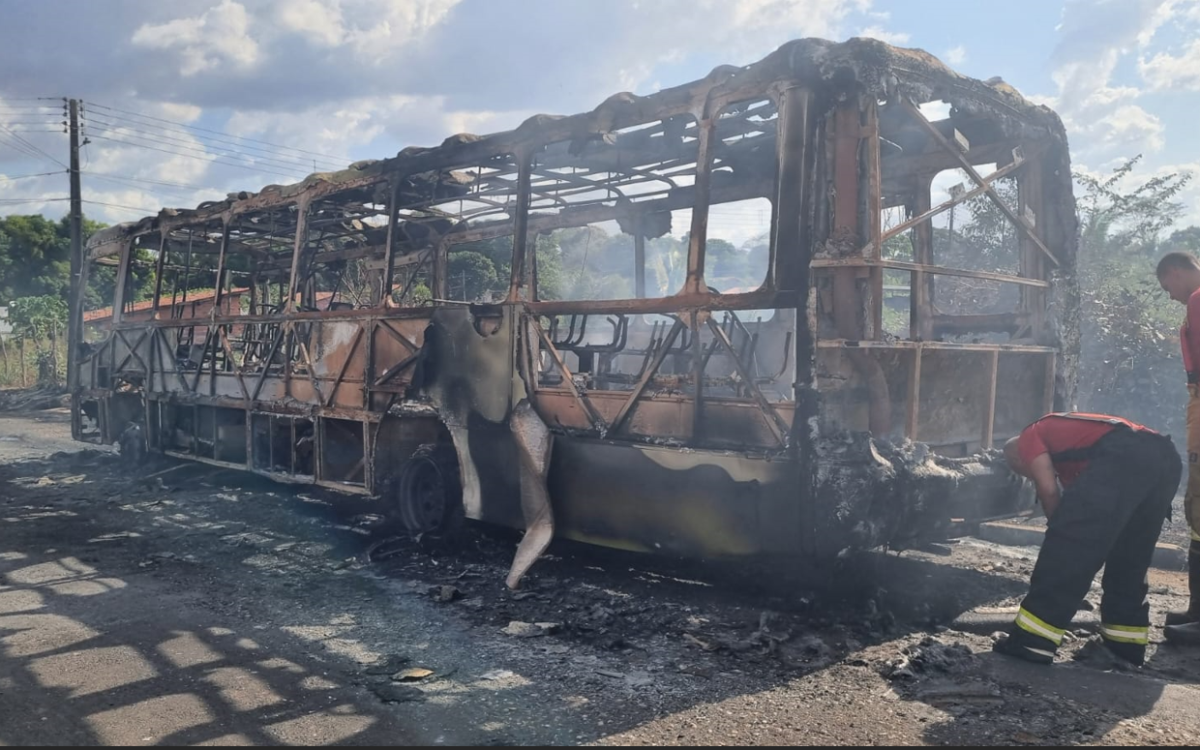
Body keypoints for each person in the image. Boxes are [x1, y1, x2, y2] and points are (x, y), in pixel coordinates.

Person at [994, 412, 1181, 666]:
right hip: (1165, 459)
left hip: (1124, 454)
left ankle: (1032, 641)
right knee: (1129, 557)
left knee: (1068, 549)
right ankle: (1123, 646)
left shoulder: (1029, 436)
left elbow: (1048, 491)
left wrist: (1059, 529)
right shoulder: (1078, 451)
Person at [1156, 251, 1200, 640]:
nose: (1170, 295)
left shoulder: (1198, 299)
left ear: (1175, 272)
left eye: (1166, 286)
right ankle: (1195, 610)